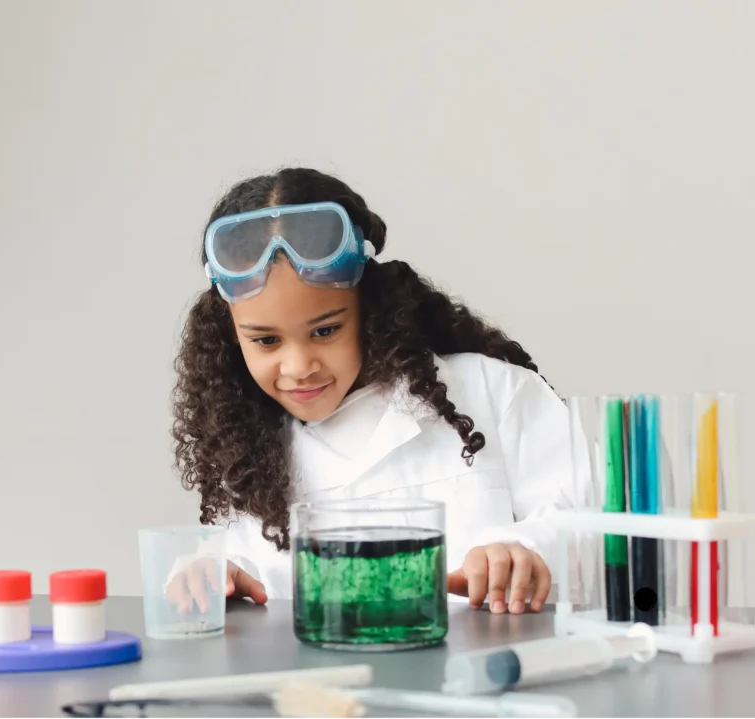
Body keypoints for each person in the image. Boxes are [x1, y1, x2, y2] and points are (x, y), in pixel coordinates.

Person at [170, 167, 586, 616]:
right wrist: (211, 572)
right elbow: (246, 575)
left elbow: (597, 515)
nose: (299, 367)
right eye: (266, 340)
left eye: (325, 330)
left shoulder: (492, 392)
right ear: (232, 336)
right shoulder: (246, 457)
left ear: (367, 306)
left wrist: (524, 548)